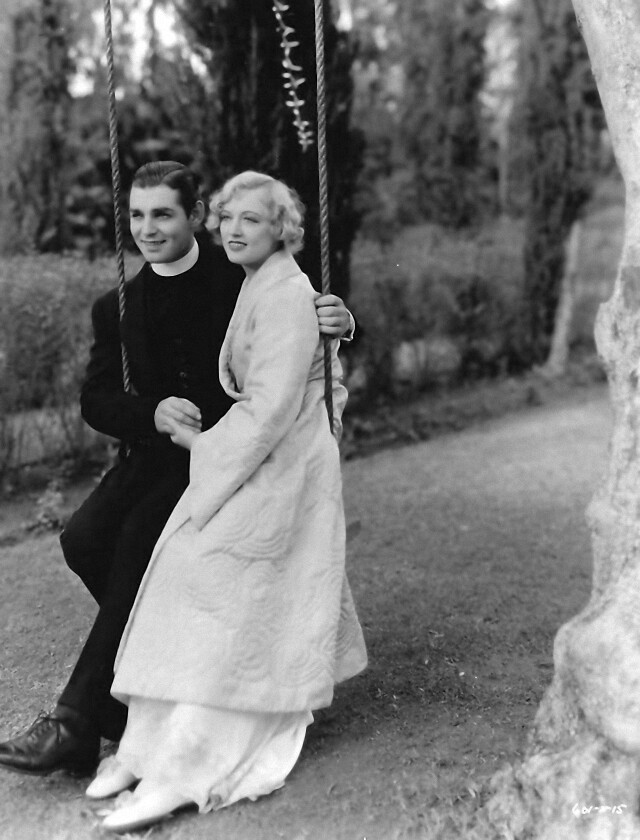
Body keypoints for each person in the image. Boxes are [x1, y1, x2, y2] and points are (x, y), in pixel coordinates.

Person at [0, 161, 355, 779]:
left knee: (140, 543)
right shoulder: (117, 304)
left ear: (195, 216)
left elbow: (298, 322)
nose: (148, 229)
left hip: (227, 454)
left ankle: (76, 722)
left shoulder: (238, 274)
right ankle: (145, 674)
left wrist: (343, 321)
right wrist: (151, 412)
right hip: (157, 450)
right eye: (137, 215)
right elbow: (96, 400)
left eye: (163, 214)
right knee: (83, 540)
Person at [85, 170, 367, 834]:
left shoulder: (287, 295)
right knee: (173, 570)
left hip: (282, 464)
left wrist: (199, 444)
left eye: (252, 220)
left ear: (282, 230)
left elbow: (268, 411)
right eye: (229, 219)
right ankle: (142, 746)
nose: (235, 231)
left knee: (206, 576)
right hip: (260, 454)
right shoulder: (254, 282)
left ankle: (185, 762)